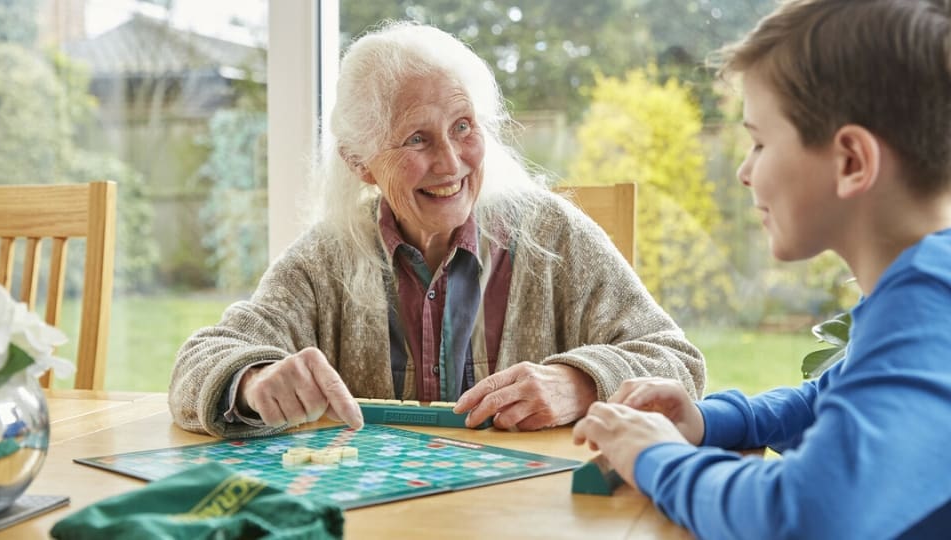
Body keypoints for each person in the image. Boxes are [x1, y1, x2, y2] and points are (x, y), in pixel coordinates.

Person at [169, 21, 705, 439]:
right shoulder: (328, 257)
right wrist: (253, 381)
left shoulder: (555, 235)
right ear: (360, 162)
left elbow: (678, 362)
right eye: (417, 140)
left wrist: (582, 383)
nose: (451, 163)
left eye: (463, 127)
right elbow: (199, 363)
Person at [573, 1, 951, 538]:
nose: (744, 171)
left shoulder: (929, 309)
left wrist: (653, 456)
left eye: (759, 142)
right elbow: (826, 398)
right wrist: (706, 421)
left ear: (851, 162)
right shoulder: (926, 291)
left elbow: (799, 514)